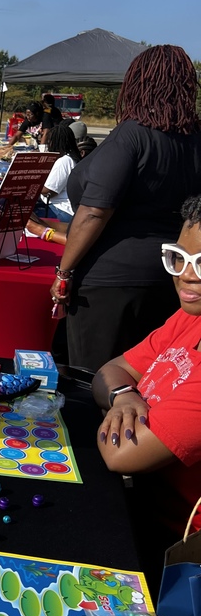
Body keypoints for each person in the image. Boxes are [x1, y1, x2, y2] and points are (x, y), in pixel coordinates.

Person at [50, 45, 201, 372]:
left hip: (111, 286)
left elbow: (94, 212)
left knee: (94, 384)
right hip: (172, 278)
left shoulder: (131, 136)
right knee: (147, 384)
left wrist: (64, 271)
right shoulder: (195, 138)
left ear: (137, 83)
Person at [91, 196, 201, 533]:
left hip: (172, 540)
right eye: (178, 258)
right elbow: (110, 371)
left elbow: (121, 454)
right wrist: (124, 396)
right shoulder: (189, 318)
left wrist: (114, 403)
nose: (186, 275)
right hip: (138, 501)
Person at [37, 123, 81, 222]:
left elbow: (48, 191)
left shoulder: (64, 161)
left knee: (27, 216)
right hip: (67, 209)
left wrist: (32, 183)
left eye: (50, 140)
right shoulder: (73, 158)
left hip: (61, 210)